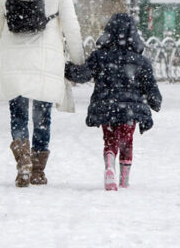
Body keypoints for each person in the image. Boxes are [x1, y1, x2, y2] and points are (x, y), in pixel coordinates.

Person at [0, 0, 84, 188]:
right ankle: (38, 169)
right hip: (46, 63)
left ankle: (22, 159)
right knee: (42, 116)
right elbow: (72, 29)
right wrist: (79, 61)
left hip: (12, 62)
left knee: (17, 114)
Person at [66, 13, 162, 191]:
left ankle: (110, 164)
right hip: (130, 110)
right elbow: (151, 89)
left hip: (106, 106)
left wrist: (67, 69)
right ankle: (124, 179)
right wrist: (155, 101)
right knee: (127, 140)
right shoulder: (141, 61)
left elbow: (82, 74)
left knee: (110, 139)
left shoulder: (100, 57)